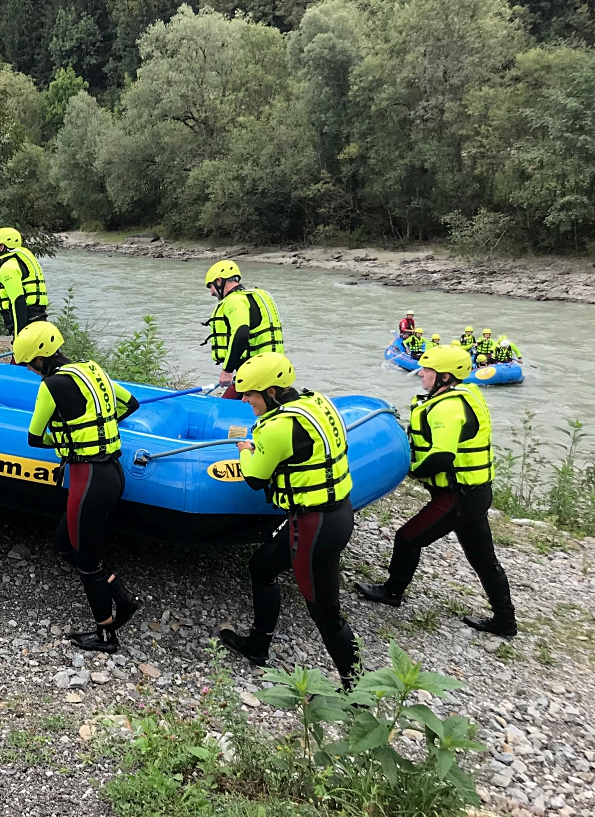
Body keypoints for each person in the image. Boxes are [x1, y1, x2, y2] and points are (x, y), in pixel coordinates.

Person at [219, 353, 360, 687]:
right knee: (262, 567)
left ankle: (357, 688)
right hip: (331, 513)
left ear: (270, 392)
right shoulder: (315, 402)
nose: (245, 400)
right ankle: (258, 645)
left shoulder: (276, 427)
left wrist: (244, 449)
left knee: (326, 614)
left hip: (317, 526)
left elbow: (254, 478)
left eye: (250, 394)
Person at [355, 346, 515, 637]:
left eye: (427, 371)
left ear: (444, 376)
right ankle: (505, 620)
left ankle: (392, 591)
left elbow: (442, 457)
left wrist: (407, 469)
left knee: (407, 538)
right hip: (474, 493)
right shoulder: (459, 396)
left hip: (458, 497)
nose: (422, 375)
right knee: (482, 557)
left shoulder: (448, 407)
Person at [17, 320, 141, 653]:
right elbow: (131, 404)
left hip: (88, 480)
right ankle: (122, 597)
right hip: (112, 473)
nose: (30, 370)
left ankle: (105, 635)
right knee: (64, 542)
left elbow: (34, 437)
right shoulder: (92, 371)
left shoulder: (50, 385)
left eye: (28, 364)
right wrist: (97, 429)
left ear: (39, 360)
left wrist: (69, 441)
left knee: (86, 559)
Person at [203, 260, 284, 400]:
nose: (211, 293)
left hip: (254, 374)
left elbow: (241, 334)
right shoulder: (257, 296)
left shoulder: (234, 301)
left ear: (219, 281)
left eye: (211, 287)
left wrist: (227, 370)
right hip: (275, 368)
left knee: (223, 408)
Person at [0, 228, 49, 338]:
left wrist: (19, 334)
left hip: (26, 321)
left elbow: (18, 302)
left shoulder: (8, 268)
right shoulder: (17, 262)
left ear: (2, 247)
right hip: (37, 316)